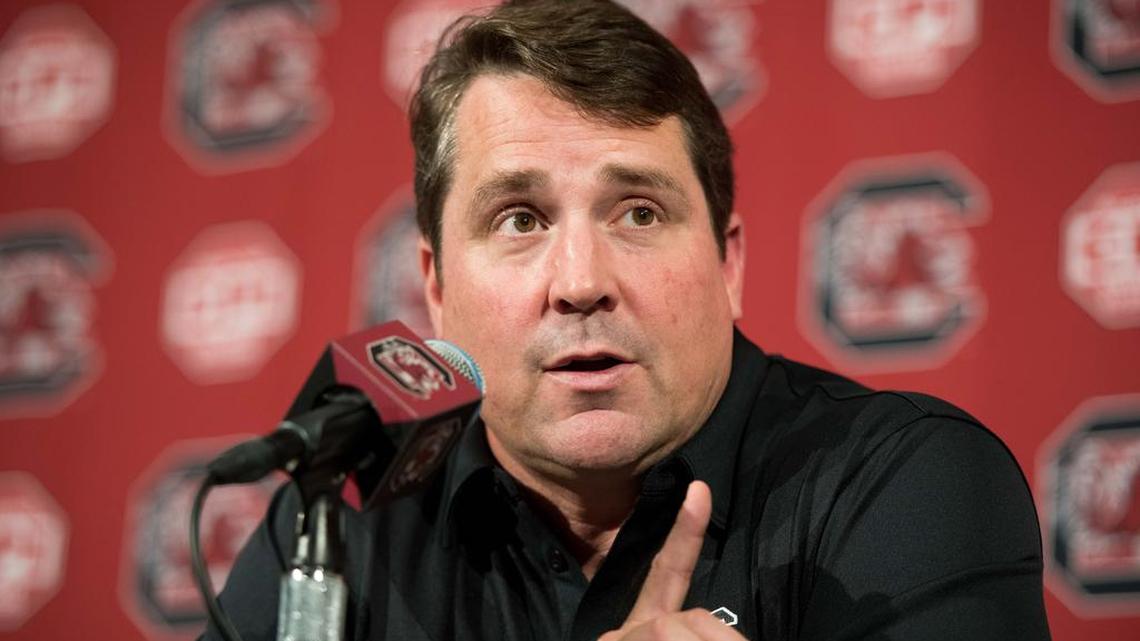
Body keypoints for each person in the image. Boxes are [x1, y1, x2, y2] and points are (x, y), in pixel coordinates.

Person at [204, 1, 1051, 639]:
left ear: (729, 265)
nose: (579, 282)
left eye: (638, 213)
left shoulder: (906, 484)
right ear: (434, 286)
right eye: (520, 219)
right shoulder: (337, 523)